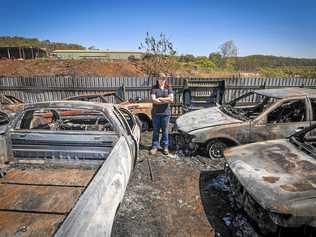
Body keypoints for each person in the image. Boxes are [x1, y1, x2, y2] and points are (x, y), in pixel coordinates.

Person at [150, 74, 174, 155]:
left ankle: (165, 147)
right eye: (160, 79)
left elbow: (171, 99)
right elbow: (153, 100)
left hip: (166, 113)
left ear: (165, 79)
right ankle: (154, 146)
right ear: (158, 79)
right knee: (156, 130)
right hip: (156, 113)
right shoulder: (154, 88)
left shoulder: (168, 88)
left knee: (165, 131)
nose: (162, 80)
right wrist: (166, 100)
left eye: (163, 79)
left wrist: (160, 99)